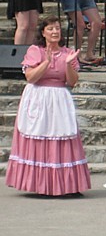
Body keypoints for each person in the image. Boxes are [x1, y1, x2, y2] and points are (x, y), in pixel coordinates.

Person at [5, 16, 91, 196]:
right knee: (38, 135)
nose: (55, 32)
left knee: (63, 137)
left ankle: (65, 185)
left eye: (57, 29)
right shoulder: (35, 50)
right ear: (43, 33)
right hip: (38, 96)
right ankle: (37, 184)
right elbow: (31, 77)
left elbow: (72, 81)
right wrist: (46, 62)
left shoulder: (68, 52)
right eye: (50, 29)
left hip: (59, 97)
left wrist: (68, 64)